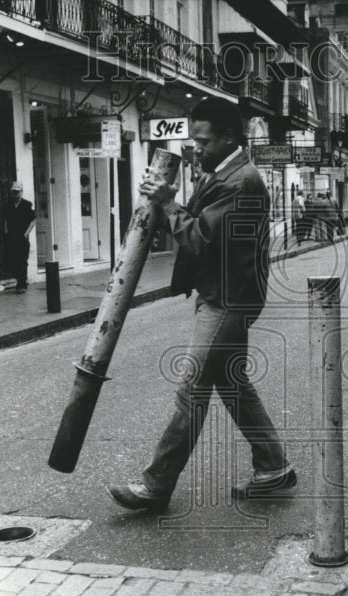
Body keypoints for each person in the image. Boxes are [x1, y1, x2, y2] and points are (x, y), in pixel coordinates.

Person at [107, 98, 296, 513]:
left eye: (203, 140)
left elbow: (202, 240)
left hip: (227, 299)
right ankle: (274, 466)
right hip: (226, 294)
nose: (197, 147)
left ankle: (155, 486)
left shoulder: (240, 181)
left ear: (229, 137)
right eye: (194, 138)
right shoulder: (224, 172)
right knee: (232, 384)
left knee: (191, 391)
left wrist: (167, 202)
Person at [3, 181, 36, 294]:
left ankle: (22, 284)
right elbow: (5, 219)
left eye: (17, 192)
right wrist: (6, 232)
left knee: (22, 260)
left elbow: (33, 220)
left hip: (22, 236)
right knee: (9, 259)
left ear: (21, 192)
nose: (15, 194)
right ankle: (20, 279)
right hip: (11, 236)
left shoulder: (27, 205)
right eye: (13, 192)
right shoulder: (8, 205)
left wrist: (26, 233)